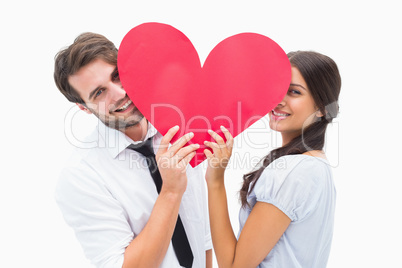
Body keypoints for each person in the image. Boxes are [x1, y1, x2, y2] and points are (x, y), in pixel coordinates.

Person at [54, 32, 212, 268]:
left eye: (117, 76)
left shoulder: (179, 129)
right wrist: (170, 191)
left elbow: (202, 234)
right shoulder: (81, 176)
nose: (120, 94)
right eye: (99, 92)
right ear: (84, 108)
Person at [203, 51, 341, 267]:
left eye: (294, 92)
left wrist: (216, 180)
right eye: (277, 89)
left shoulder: (291, 171)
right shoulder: (317, 166)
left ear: (322, 108)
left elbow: (233, 266)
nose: (279, 100)